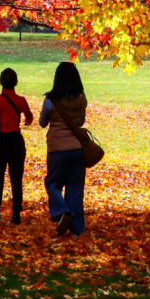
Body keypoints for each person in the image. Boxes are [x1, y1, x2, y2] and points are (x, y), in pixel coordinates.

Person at [39, 61, 88, 236]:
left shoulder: (50, 100)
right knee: (75, 189)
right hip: (77, 148)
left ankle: (62, 211)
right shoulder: (82, 98)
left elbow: (43, 122)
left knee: (52, 183)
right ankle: (77, 229)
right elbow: (81, 121)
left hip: (57, 148)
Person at [0, 67, 33, 224]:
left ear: (0, 82)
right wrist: (24, 120)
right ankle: (16, 213)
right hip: (16, 141)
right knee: (16, 177)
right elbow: (29, 117)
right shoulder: (21, 101)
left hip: (0, 142)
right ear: (16, 83)